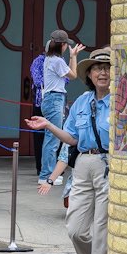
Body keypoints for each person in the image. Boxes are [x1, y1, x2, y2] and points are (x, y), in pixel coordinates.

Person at [28, 47, 110, 254]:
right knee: (76, 229)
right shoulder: (83, 102)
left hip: (109, 163)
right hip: (83, 162)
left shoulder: (123, 102)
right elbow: (72, 138)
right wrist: (49, 125)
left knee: (101, 228)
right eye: (97, 68)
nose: (103, 72)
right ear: (89, 73)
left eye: (108, 67)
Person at [38, 30, 83, 188]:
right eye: (66, 44)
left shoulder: (50, 58)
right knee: (53, 138)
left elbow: (69, 74)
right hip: (54, 98)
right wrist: (74, 56)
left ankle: (46, 173)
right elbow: (73, 75)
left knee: (50, 136)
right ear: (62, 45)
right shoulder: (57, 61)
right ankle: (46, 175)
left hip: (50, 99)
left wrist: (71, 57)